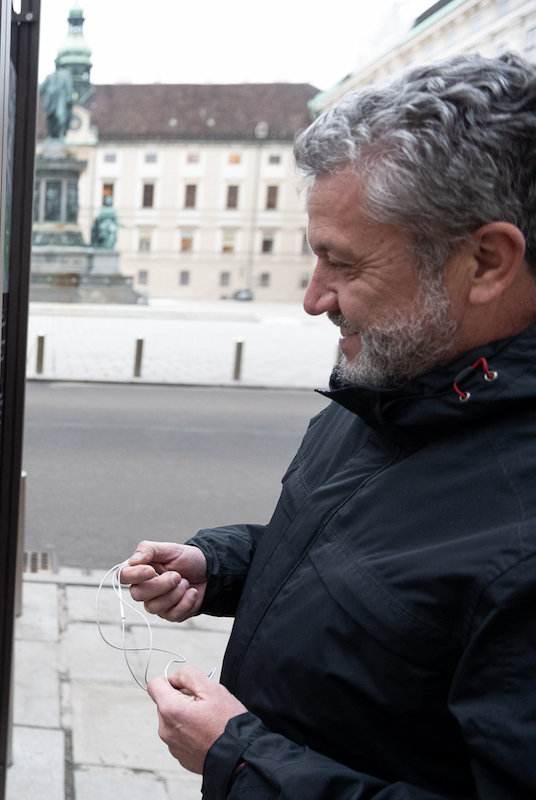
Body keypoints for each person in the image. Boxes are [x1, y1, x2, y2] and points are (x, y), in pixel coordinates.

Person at [121, 54, 536, 798]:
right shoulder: (398, 380)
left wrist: (245, 762)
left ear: (485, 262)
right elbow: (365, 564)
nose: (315, 299)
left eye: (340, 264)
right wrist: (220, 565)